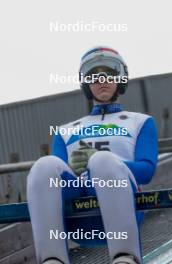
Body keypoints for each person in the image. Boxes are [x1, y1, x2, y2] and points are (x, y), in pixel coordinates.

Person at [27, 46, 158, 264]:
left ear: (120, 79)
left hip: (123, 209)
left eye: (108, 74)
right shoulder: (65, 130)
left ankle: (125, 258)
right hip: (79, 217)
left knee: (102, 159)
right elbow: (52, 178)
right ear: (86, 84)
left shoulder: (140, 121)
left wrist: (98, 159)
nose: (101, 80)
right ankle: (52, 260)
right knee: (43, 165)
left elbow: (146, 171)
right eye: (94, 76)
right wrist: (71, 167)